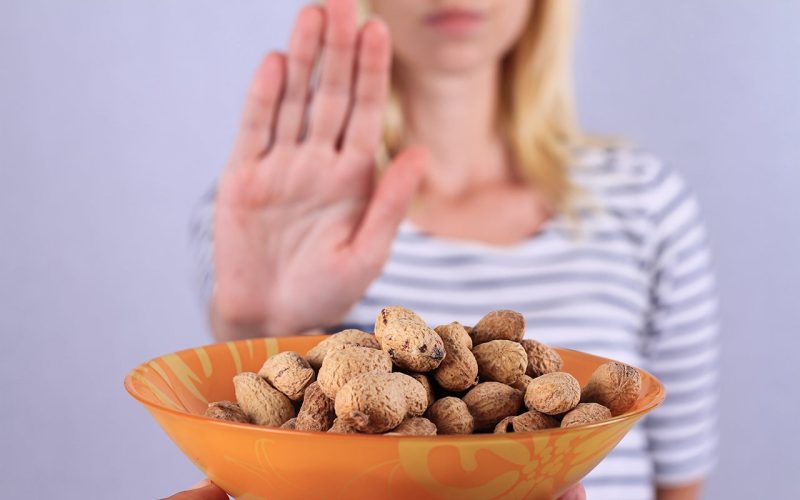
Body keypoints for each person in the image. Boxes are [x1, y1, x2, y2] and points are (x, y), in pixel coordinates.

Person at [188, 0, 719, 498]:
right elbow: (262, 438)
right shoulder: (282, 206)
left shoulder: (644, 201)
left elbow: (681, 479)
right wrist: (255, 327)